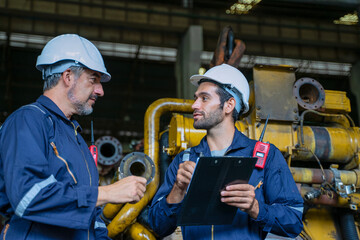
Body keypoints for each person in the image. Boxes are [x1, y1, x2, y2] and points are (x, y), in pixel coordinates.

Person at [0, 34, 147, 239]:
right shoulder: (28, 121)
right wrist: (107, 193)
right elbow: (28, 196)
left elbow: (91, 217)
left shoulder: (75, 136)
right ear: (68, 76)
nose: (100, 90)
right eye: (93, 79)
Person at [148, 64, 304, 239]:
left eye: (204, 98)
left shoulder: (265, 156)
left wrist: (255, 208)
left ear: (229, 105)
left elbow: (294, 221)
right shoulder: (184, 160)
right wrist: (178, 189)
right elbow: (157, 225)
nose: (194, 105)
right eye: (196, 98)